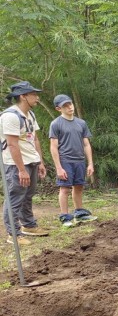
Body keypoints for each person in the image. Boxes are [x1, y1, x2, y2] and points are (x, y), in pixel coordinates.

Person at [1, 81, 49, 245]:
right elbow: (13, 145)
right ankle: (13, 234)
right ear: (23, 96)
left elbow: (34, 138)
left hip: (31, 160)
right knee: (15, 197)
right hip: (15, 164)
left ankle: (29, 225)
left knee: (28, 195)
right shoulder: (10, 116)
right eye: (33, 94)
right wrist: (21, 170)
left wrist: (40, 161)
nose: (37, 97)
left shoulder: (30, 115)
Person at [49, 94, 96, 227]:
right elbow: (53, 146)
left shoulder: (81, 123)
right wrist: (58, 167)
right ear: (59, 108)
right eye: (65, 105)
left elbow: (86, 144)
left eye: (70, 104)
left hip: (80, 160)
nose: (70, 107)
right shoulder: (56, 124)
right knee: (64, 189)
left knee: (79, 187)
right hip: (65, 160)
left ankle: (80, 213)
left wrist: (90, 163)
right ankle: (65, 216)